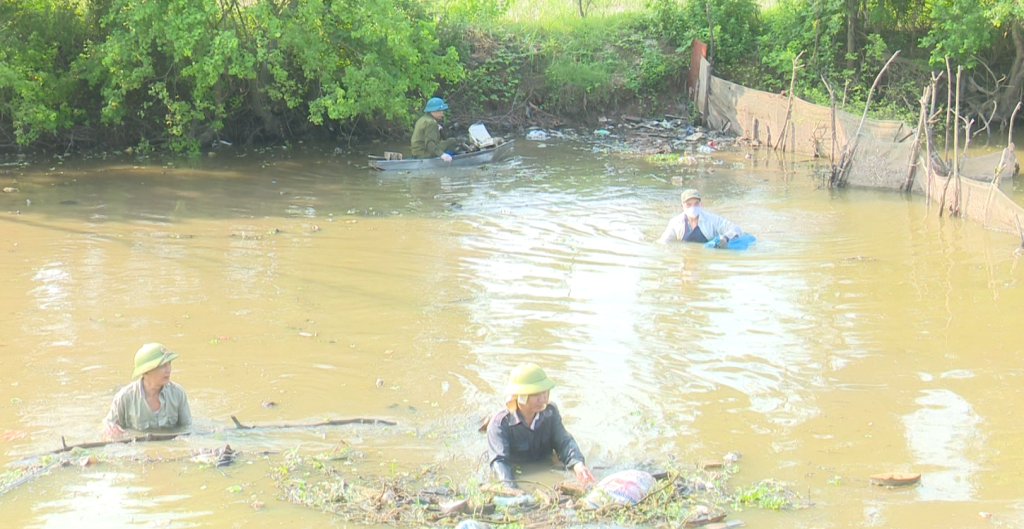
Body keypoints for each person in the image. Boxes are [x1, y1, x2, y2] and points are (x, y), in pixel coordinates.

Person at [486, 363, 596, 487]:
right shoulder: (499, 425)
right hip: (519, 468)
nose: (542, 399)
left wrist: (578, 465)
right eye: (536, 394)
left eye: (545, 393)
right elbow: (500, 462)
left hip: (545, 461)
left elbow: (564, 442)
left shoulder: (550, 413)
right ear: (520, 397)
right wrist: (511, 490)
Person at [103, 343, 192, 437]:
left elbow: (187, 429)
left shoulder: (177, 393)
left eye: (169, 364)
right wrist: (112, 430)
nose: (168, 369)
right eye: (162, 365)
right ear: (146, 371)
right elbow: (108, 425)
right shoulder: (124, 397)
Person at [657, 189, 742, 247]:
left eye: (696, 203)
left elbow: (736, 228)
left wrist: (725, 238)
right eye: (688, 204)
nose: (693, 207)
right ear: (682, 207)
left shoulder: (712, 220)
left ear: (701, 204)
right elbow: (663, 242)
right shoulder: (676, 223)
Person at [411, 97, 459, 161]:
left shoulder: (422, 119)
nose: (442, 113)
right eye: (440, 111)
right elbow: (429, 143)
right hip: (424, 153)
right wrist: (442, 154)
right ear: (434, 110)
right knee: (452, 141)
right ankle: (447, 159)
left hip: (416, 152)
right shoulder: (431, 123)